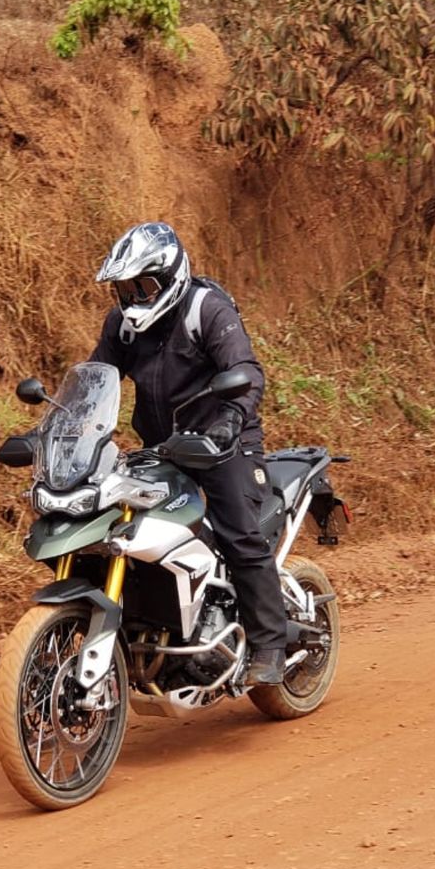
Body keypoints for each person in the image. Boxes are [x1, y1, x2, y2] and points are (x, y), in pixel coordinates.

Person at [89, 222, 288, 687]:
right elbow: (98, 377)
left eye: (143, 286)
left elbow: (246, 371)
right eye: (124, 288)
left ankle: (270, 644)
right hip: (161, 449)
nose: (133, 298)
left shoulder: (207, 310)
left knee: (239, 535)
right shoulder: (122, 326)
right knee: (125, 529)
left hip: (224, 445)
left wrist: (228, 423)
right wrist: (63, 429)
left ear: (171, 275)